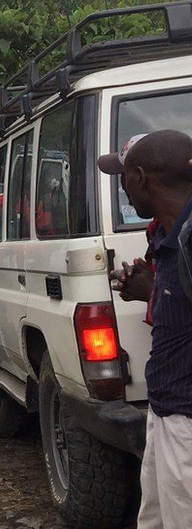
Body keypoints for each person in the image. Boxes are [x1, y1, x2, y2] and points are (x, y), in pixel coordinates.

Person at [98, 131, 192, 529]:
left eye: (123, 179)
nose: (122, 188)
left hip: (186, 420)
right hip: (166, 409)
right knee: (154, 519)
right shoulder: (171, 236)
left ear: (138, 177)